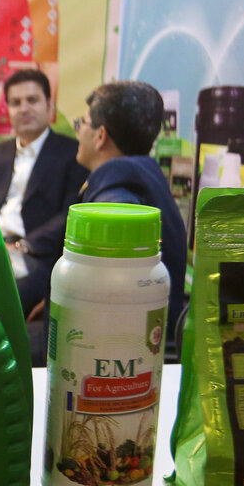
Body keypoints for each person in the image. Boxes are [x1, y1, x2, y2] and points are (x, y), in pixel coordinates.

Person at [72, 81, 187, 342]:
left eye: (82, 123)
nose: (78, 131)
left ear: (100, 136)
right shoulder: (144, 178)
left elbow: (106, 303)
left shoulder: (114, 207)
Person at [0, 68, 89, 321]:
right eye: (16, 103)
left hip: (35, 255)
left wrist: (23, 245)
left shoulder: (74, 155)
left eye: (32, 100)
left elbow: (70, 214)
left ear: (49, 104)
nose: (24, 109)